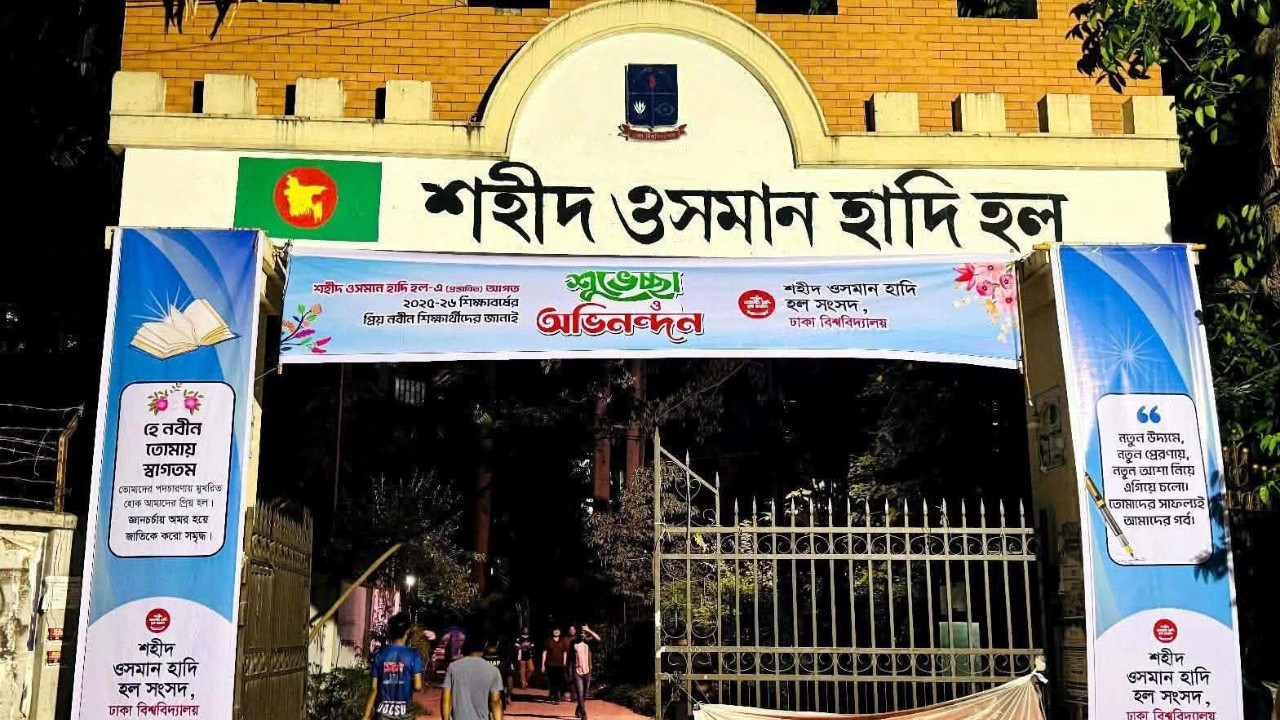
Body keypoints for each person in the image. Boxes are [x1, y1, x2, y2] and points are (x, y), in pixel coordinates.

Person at [363, 613, 425, 720]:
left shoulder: (380, 654)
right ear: (407, 632)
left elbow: (374, 689)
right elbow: (418, 686)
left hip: (383, 714)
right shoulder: (413, 655)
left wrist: (366, 715)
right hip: (404, 714)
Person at [442, 631, 505, 720]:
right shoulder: (493, 670)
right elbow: (495, 702)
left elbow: (446, 698)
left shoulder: (453, 667)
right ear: (484, 647)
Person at [567, 624, 601, 716]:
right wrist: (569, 672)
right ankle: (583, 713)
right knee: (580, 693)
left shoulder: (588, 641)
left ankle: (578, 708)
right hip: (577, 671)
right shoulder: (573, 642)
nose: (582, 633)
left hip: (587, 671)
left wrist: (588, 630)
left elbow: (598, 639)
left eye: (584, 632)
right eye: (581, 631)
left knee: (585, 695)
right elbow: (570, 659)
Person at [541, 627, 568, 703]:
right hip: (550, 664)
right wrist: (543, 665)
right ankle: (554, 696)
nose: (556, 631)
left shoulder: (563, 641)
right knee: (552, 681)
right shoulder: (548, 641)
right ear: (552, 631)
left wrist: (564, 663)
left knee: (559, 681)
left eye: (558, 630)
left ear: (560, 632)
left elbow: (565, 652)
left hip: (560, 665)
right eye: (555, 630)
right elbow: (544, 653)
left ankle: (556, 695)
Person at [482, 640, 511, 709]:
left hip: (484, 692)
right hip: (498, 691)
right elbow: (509, 679)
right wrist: (509, 695)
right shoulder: (504, 662)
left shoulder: (481, 661)